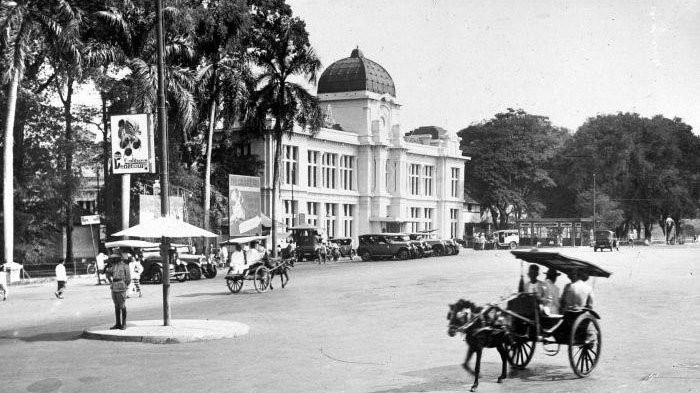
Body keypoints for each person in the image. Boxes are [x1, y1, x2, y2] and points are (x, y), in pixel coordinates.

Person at [107, 253, 132, 330]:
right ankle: (118, 323)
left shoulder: (125, 266)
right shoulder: (114, 266)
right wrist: (110, 280)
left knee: (122, 306)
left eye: (116, 258)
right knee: (116, 306)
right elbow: (108, 273)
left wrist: (124, 285)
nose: (114, 259)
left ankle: (124, 324)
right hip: (114, 287)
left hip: (121, 288)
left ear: (120, 258)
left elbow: (128, 279)